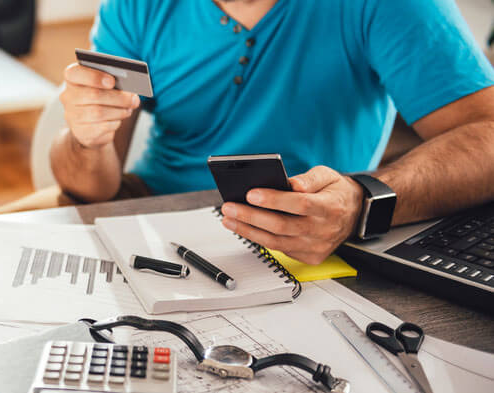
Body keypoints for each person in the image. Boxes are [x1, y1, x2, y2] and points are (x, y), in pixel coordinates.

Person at [46, 0, 493, 266]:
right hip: (148, 205)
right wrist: (87, 139)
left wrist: (363, 200)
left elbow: (487, 135)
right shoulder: (136, 6)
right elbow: (93, 188)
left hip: (310, 228)